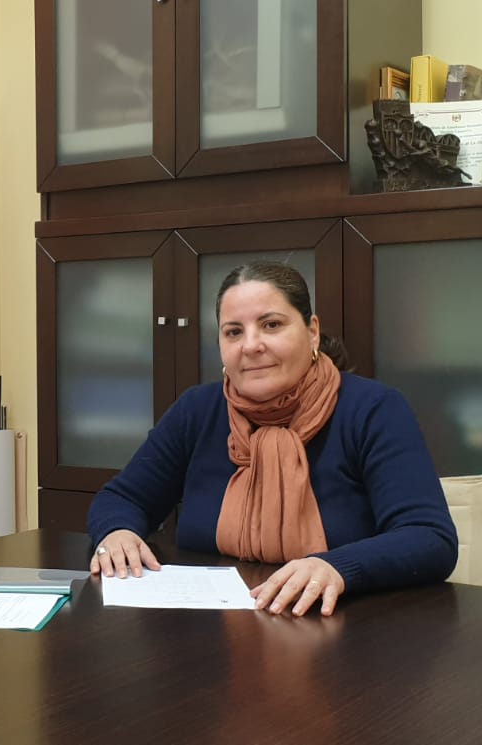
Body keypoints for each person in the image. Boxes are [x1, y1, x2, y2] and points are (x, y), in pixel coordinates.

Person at [86, 260, 457, 617]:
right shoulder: (198, 410)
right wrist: (117, 532)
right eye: (234, 331)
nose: (251, 345)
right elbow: (122, 497)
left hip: (348, 631)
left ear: (312, 331)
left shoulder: (374, 409)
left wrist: (336, 567)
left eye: (271, 325)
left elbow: (429, 538)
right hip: (213, 636)